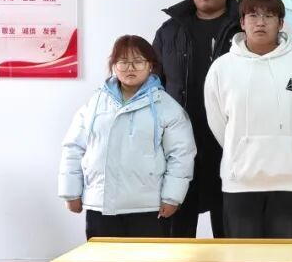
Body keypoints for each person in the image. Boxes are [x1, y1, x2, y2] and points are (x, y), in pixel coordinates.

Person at [59, 36, 196, 238]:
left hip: (148, 208)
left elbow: (181, 155)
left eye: (138, 61)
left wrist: (172, 197)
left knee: (145, 259)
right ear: (114, 65)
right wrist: (70, 192)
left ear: (150, 65)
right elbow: (73, 148)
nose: (130, 68)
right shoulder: (95, 104)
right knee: (102, 259)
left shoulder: (167, 107)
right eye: (123, 62)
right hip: (101, 205)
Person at [203, 0, 292, 238]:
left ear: (281, 23)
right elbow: (217, 122)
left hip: (290, 180)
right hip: (239, 181)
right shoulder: (222, 67)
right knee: (244, 259)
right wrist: (240, 148)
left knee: (288, 257)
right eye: (253, 16)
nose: (260, 23)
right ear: (242, 22)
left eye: (269, 16)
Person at [152, 0, 240, 237]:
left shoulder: (243, 29)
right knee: (177, 226)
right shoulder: (170, 30)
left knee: (229, 226)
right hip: (179, 140)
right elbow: (153, 83)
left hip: (228, 140)